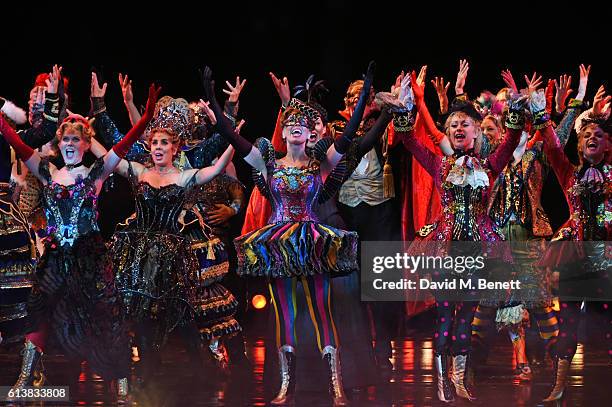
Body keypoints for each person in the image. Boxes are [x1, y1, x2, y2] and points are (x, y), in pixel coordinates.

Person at [0, 81, 160, 401]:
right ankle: (25, 376)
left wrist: (145, 118)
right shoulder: (46, 172)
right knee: (39, 310)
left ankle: (122, 383)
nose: (71, 143)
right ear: (59, 144)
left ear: (86, 144)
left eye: (76, 139)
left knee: (106, 315)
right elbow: (17, 143)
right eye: (66, 139)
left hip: (89, 255)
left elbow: (125, 146)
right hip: (58, 255)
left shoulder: (95, 173)